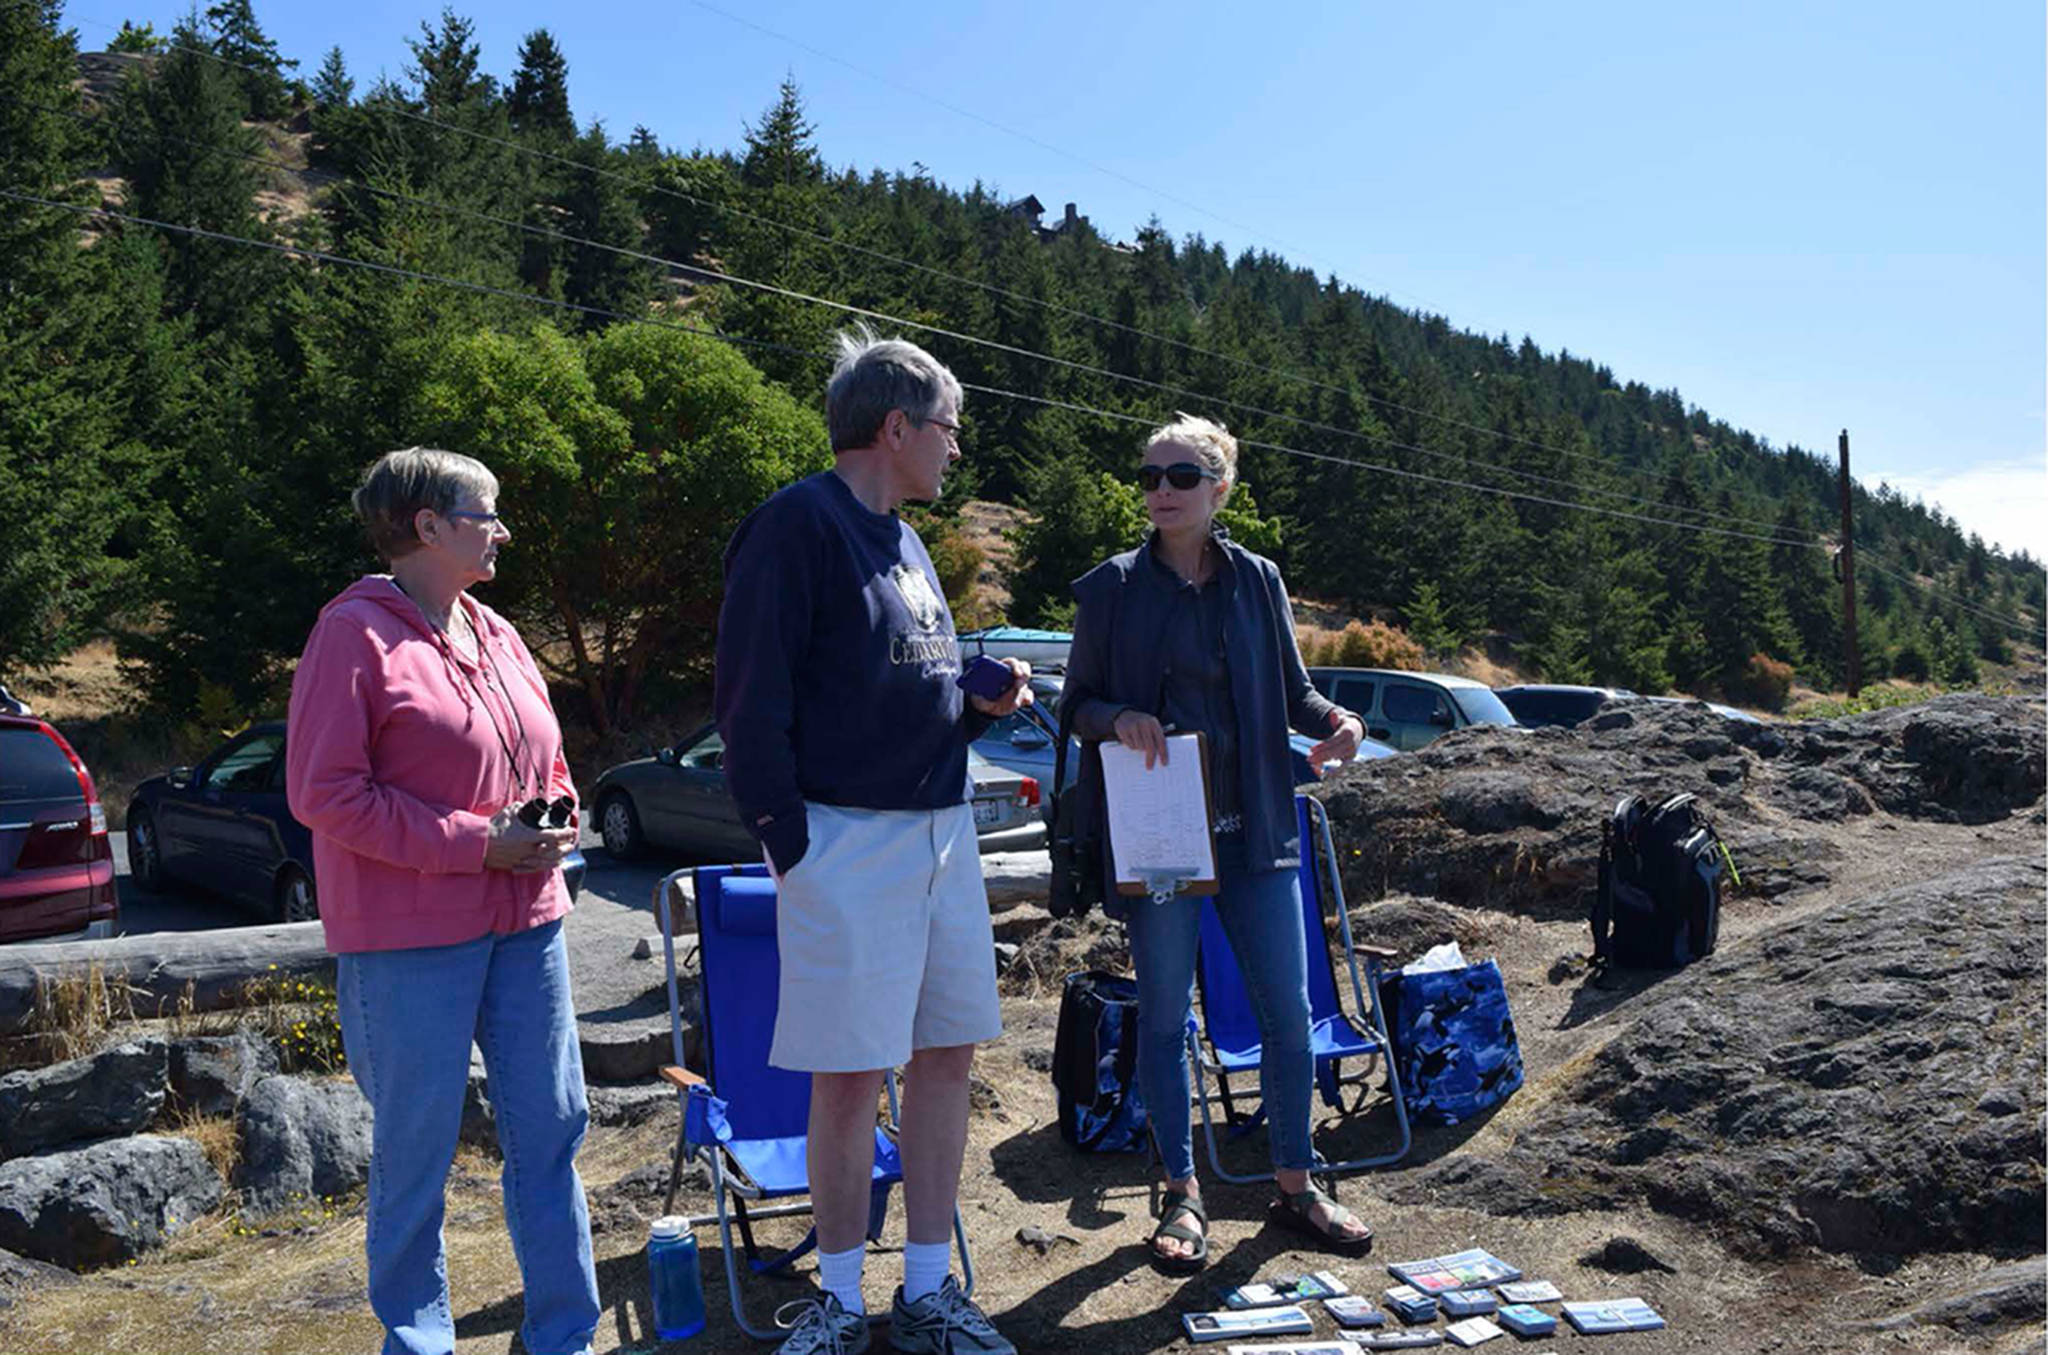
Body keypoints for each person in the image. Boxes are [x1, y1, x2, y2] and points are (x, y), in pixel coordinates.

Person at [715, 327, 1029, 1355]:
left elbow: (902, 685)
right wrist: (786, 840)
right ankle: (841, 1301)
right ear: (894, 427)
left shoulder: (905, 537)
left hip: (941, 832)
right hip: (843, 839)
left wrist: (972, 705)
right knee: (848, 1072)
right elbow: (749, 700)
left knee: (945, 1056)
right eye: (947, 428)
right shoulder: (794, 527)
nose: (954, 449)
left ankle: (929, 1290)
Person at [285, 447, 598, 1355]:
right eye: (484, 513)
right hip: (409, 941)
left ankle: (564, 1338)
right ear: (427, 525)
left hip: (529, 924)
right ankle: (420, 1345)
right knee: (417, 1158)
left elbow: (552, 762)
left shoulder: (498, 633)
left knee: (551, 1135)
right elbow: (324, 793)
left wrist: (556, 818)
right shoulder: (354, 632)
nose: (501, 530)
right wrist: (479, 844)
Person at [1062, 415, 1373, 1271]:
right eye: (1152, 473)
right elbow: (1074, 704)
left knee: (1288, 1014)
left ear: (1220, 488)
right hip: (1161, 836)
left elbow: (1296, 695)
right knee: (1164, 1021)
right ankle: (1181, 1195)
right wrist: (1114, 718)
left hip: (1259, 831)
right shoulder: (1112, 589)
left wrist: (1341, 721)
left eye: (1184, 474)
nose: (1163, 487)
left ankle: (1295, 1183)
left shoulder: (1258, 580)